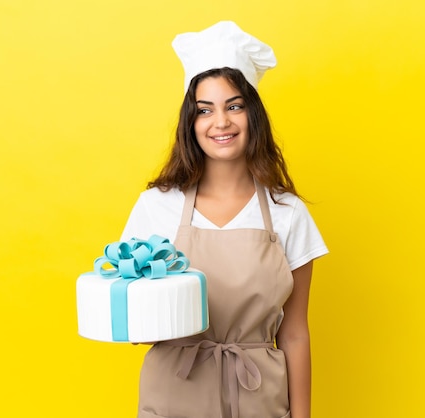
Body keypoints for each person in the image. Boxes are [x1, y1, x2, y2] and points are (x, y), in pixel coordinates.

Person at [120, 21, 328, 418]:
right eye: (205, 110)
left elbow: (296, 333)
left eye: (234, 106)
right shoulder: (156, 207)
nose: (221, 122)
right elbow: (134, 322)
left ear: (253, 115)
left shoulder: (287, 213)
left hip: (259, 398)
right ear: (190, 122)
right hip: (173, 396)